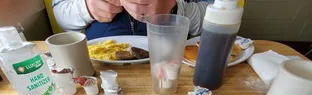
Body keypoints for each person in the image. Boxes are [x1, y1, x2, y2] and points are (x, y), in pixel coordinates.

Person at [52, 0, 212, 40]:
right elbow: (61, 13)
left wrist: (174, 9)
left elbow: (218, 15)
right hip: (98, 68)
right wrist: (87, 7)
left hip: (173, 63)